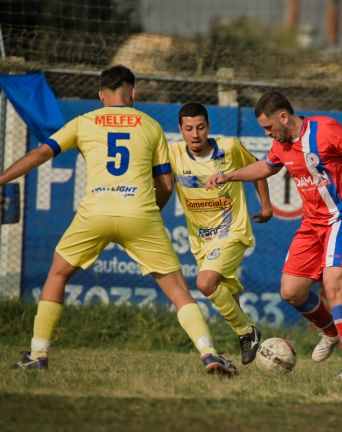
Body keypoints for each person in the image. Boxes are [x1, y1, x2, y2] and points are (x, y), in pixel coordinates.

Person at [4, 65, 237, 376]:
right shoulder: (151, 126)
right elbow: (166, 184)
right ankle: (209, 353)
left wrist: (2, 178)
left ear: (101, 95)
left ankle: (38, 354)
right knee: (178, 290)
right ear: (134, 94)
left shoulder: (84, 122)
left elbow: (41, 154)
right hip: (140, 213)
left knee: (57, 275)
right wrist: (148, 212)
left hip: (95, 213)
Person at [206, 90, 342, 378]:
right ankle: (331, 330)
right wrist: (229, 175)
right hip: (312, 223)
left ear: (284, 117)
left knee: (334, 284)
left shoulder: (326, 130)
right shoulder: (282, 144)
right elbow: (267, 167)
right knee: (292, 292)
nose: (268, 134)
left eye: (269, 127)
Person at [170, 102, 273, 365]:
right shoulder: (172, 154)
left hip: (232, 231)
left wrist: (266, 206)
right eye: (189, 129)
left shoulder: (230, 147)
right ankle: (266, 355)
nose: (195, 134)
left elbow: (259, 170)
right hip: (200, 239)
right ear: (180, 130)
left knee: (205, 283)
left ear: (209, 127)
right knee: (226, 293)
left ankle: (246, 331)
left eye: (201, 127)